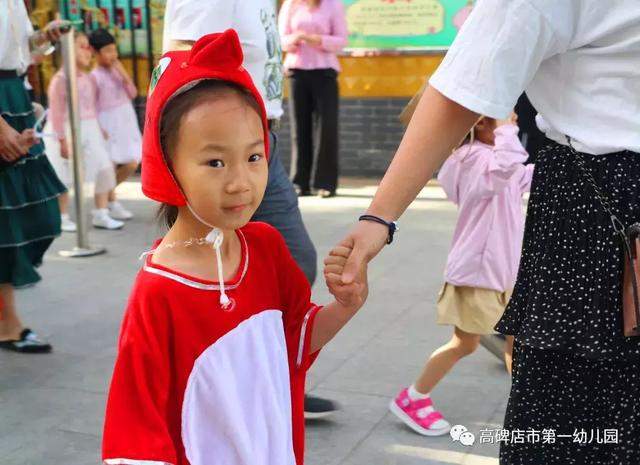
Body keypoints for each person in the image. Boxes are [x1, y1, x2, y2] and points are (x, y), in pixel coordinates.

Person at [336, 0, 640, 463]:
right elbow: (463, 92)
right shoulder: (481, 158)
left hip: (581, 219)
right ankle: (416, 395)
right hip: (582, 220)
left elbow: (470, 92)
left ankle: (417, 395)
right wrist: (379, 217)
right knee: (579, 422)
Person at [101, 31, 367, 465]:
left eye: (254, 156)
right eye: (215, 162)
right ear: (167, 165)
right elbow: (135, 431)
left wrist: (345, 305)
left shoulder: (265, 246)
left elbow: (291, 342)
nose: (241, 181)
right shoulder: (159, 291)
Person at [162, 0, 337, 418]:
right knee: (214, 273)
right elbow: (180, 67)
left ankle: (270, 375)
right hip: (227, 151)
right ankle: (234, 385)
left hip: (258, 143)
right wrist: (202, 166)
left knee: (284, 264)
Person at [390, 116, 533, 436]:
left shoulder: (492, 159)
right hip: (478, 274)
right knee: (464, 344)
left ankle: (528, 408)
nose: (514, 120)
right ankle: (413, 398)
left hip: (502, 272)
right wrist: (506, 130)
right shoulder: (473, 160)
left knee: (517, 343)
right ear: (481, 124)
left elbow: (522, 175)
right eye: (506, 116)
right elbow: (508, 166)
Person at [0, 0, 67, 353]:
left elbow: (21, 52)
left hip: (15, 96)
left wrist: (44, 37)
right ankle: (8, 324)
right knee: (8, 223)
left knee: (34, 215)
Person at [45, 30, 122, 231]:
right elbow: (56, 113)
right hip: (68, 130)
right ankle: (61, 216)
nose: (88, 51)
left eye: (88, 46)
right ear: (67, 50)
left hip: (90, 129)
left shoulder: (88, 78)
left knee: (104, 168)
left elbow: (91, 107)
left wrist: (99, 127)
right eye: (82, 46)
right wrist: (61, 140)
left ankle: (101, 212)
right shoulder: (60, 80)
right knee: (65, 174)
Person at [279, 0, 347, 198]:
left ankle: (325, 183)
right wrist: (295, 38)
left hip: (325, 72)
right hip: (296, 72)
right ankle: (300, 182)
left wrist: (316, 39)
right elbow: (280, 40)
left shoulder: (333, 5)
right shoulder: (290, 5)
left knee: (327, 128)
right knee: (299, 129)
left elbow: (342, 40)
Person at [89, 28, 141, 222]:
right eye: (108, 50)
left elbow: (133, 93)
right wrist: (98, 128)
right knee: (108, 166)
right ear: (95, 52)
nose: (113, 55)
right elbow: (91, 105)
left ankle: (109, 199)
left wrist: (123, 73)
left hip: (124, 120)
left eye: (114, 49)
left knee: (131, 162)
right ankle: (105, 206)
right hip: (107, 123)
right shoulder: (94, 76)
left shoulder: (117, 72)